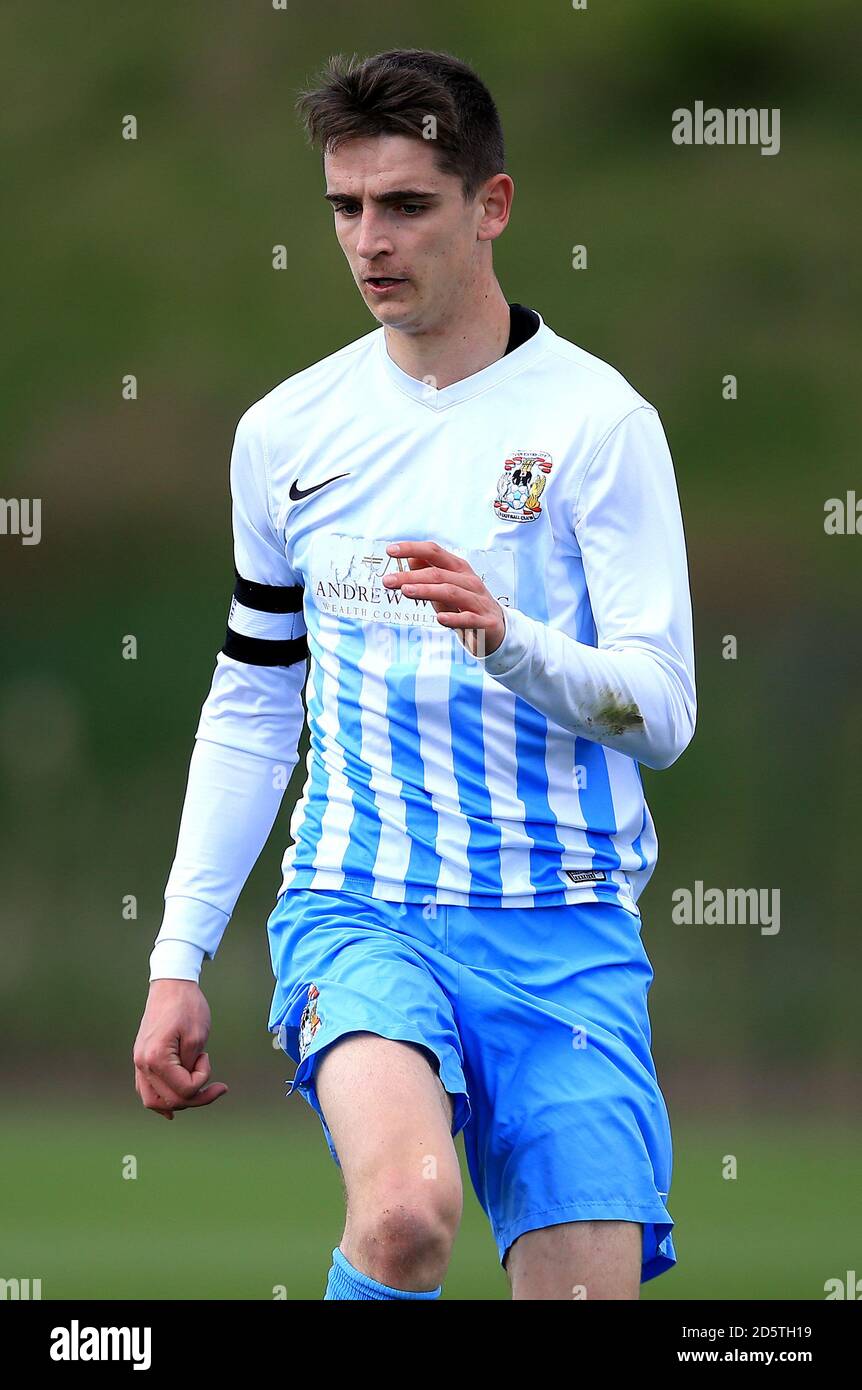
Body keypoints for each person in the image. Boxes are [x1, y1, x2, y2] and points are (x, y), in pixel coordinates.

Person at [133, 47, 696, 1301]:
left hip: (565, 928)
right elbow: (254, 695)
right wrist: (181, 951)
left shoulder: (600, 426)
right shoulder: (287, 434)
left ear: (490, 206)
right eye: (345, 207)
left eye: (406, 205)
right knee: (404, 1215)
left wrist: (509, 640)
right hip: (362, 903)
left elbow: (662, 711)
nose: (369, 240)